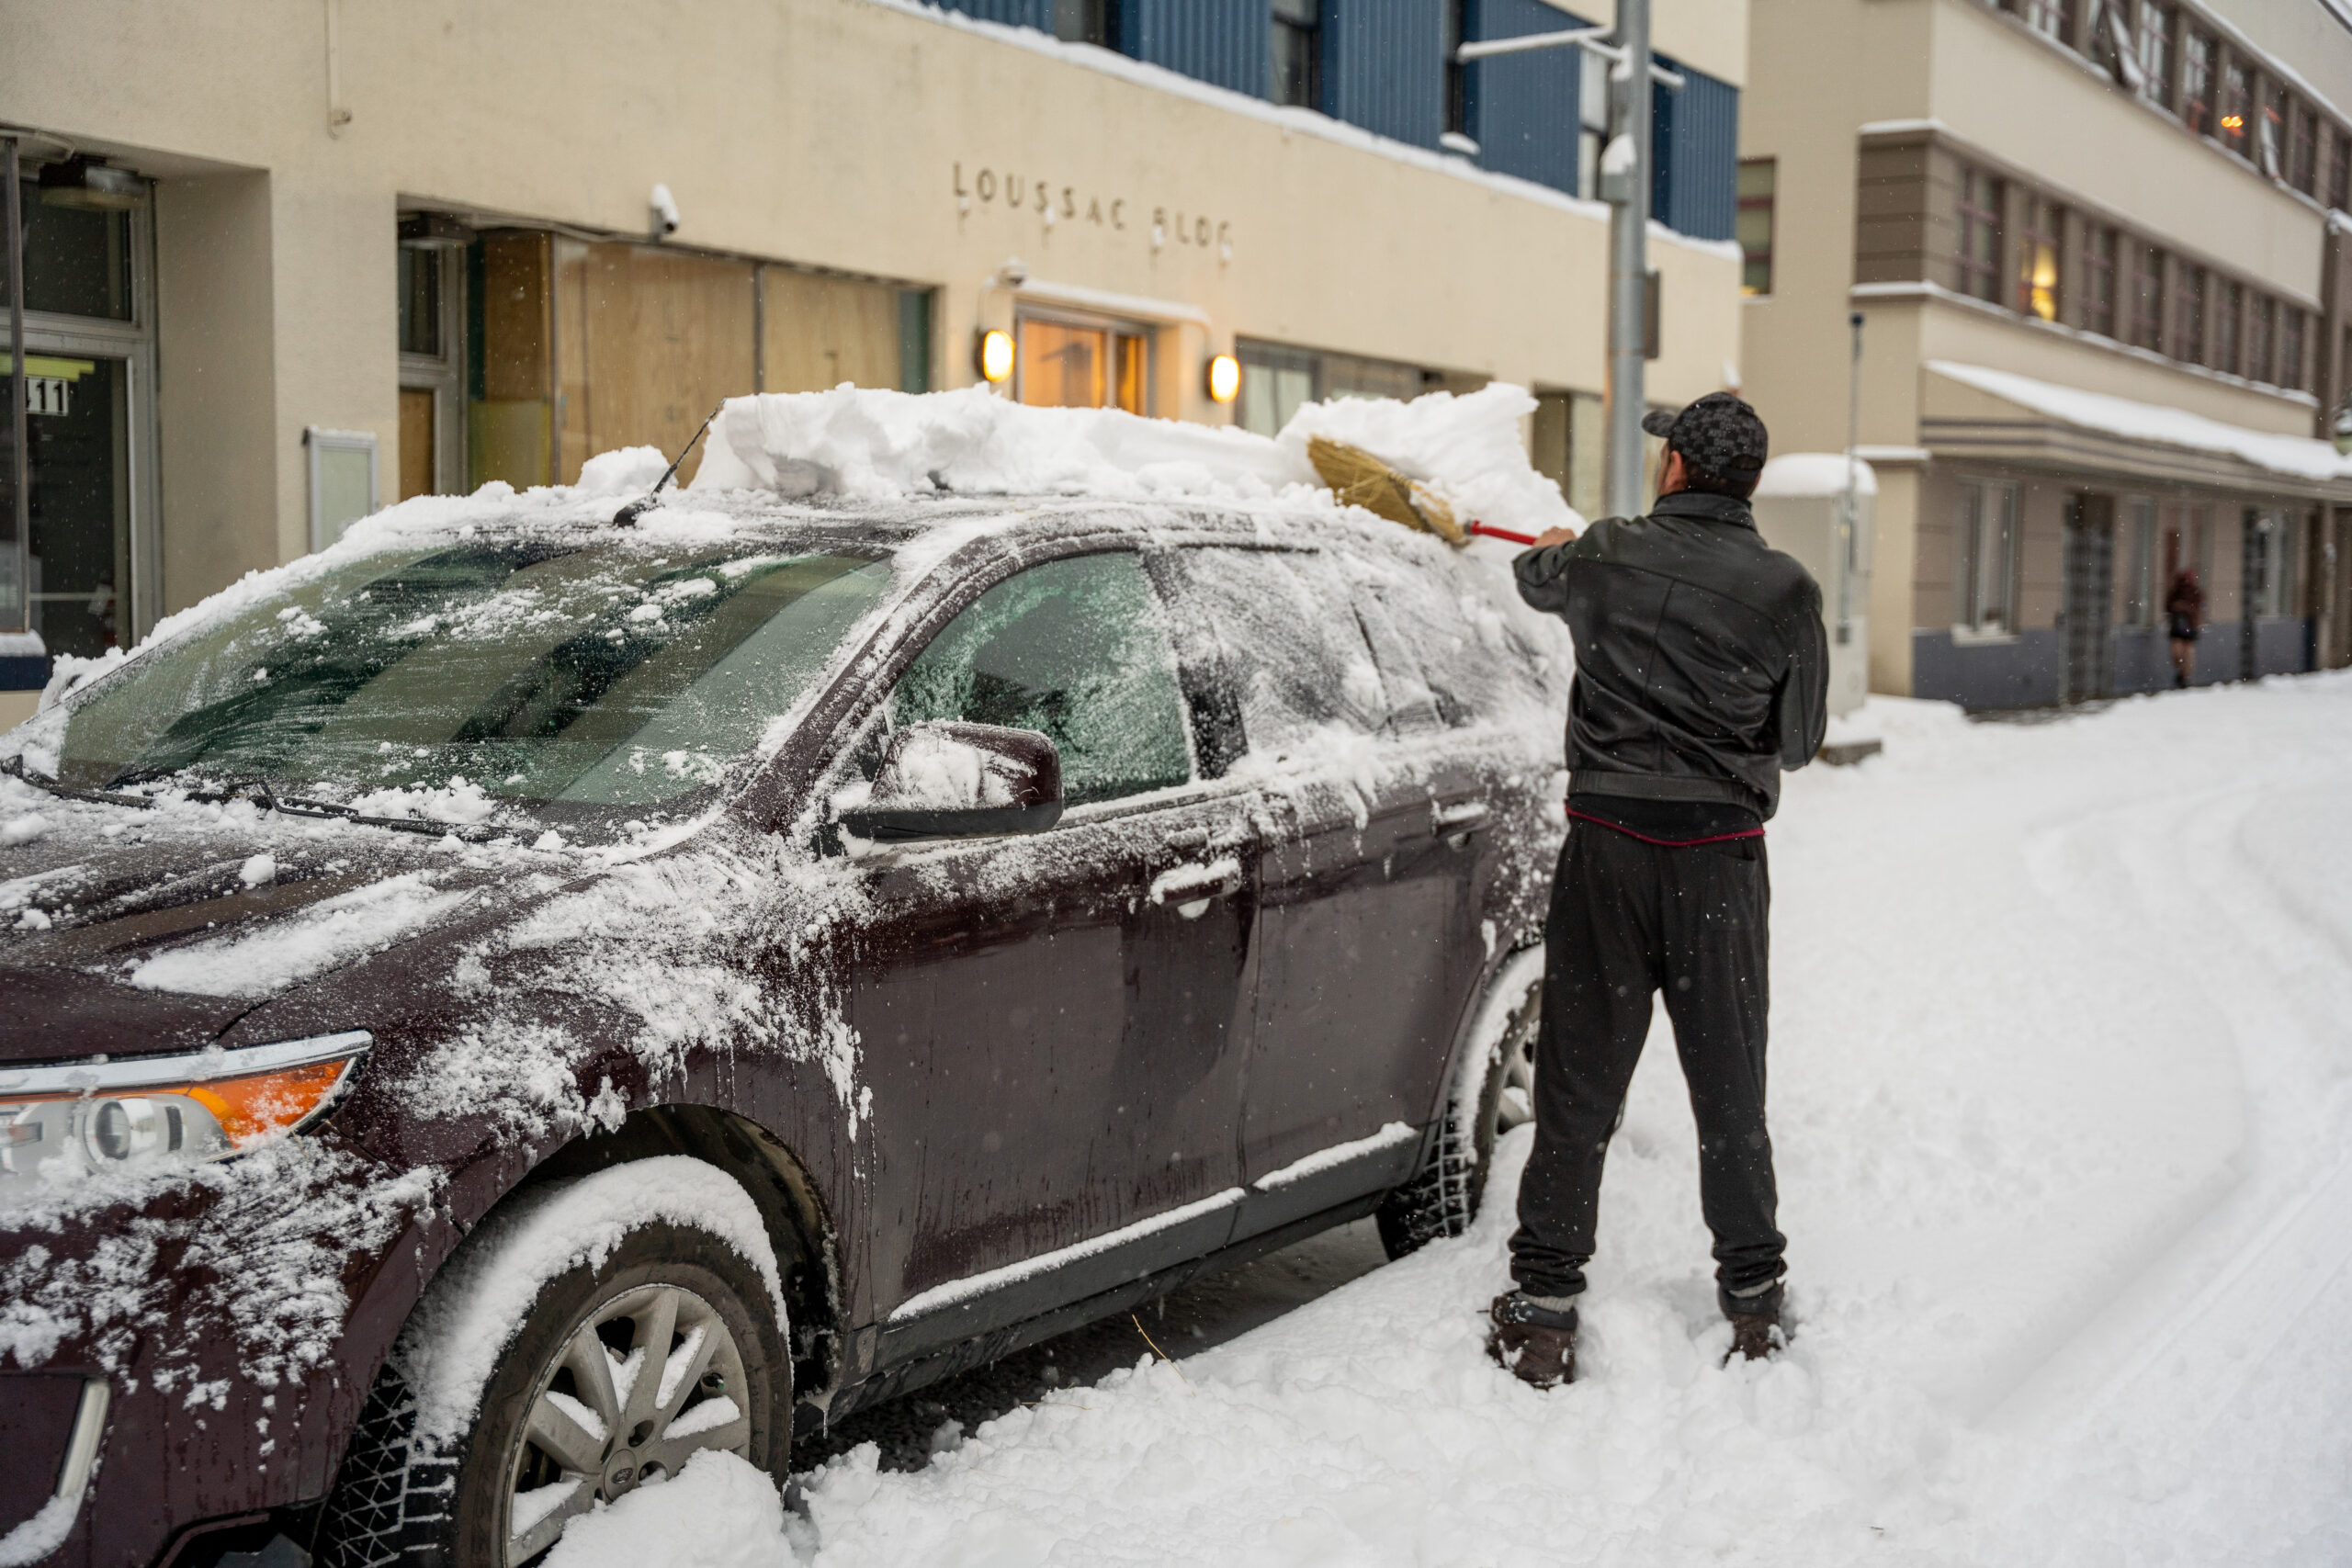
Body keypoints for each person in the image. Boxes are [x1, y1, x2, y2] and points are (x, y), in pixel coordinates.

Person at [1487, 392, 1827, 1389]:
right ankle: (1754, 1304)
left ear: (1674, 466)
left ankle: (1543, 1308)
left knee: (1579, 1085)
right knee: (1728, 1086)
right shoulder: (1786, 591)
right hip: (1717, 859)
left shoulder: (1603, 555)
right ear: (1748, 481)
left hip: (1605, 857)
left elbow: (1531, 571)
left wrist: (1567, 546)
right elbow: (1799, 743)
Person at [2165, 567, 2204, 689]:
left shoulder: (2196, 593)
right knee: (2177, 651)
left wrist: (2186, 608)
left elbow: (2198, 608)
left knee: (2187, 651)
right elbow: (2167, 606)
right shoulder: (2175, 592)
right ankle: (2182, 673)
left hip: (2189, 625)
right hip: (2178, 624)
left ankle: (2185, 676)